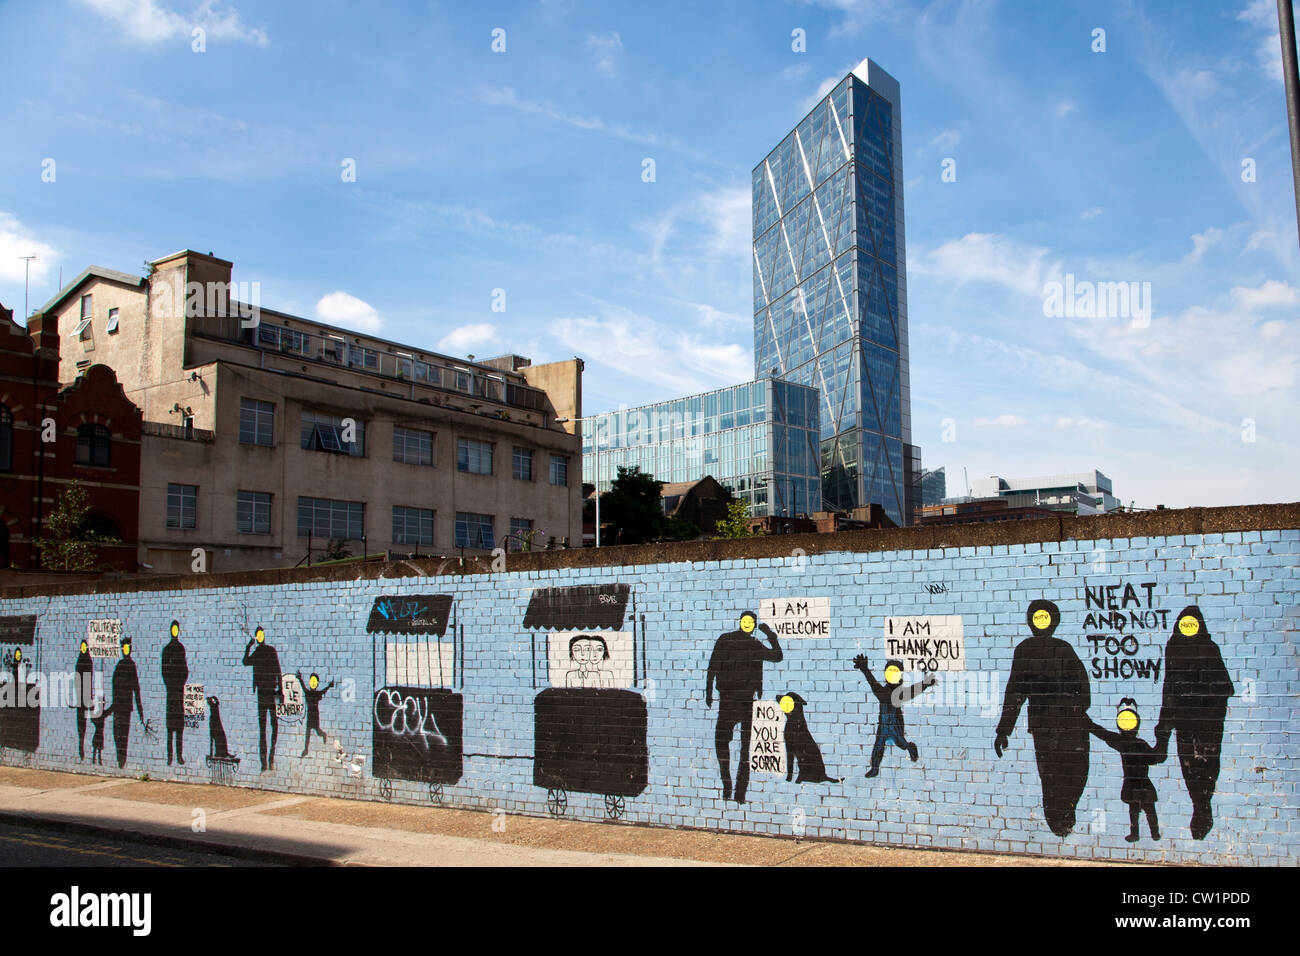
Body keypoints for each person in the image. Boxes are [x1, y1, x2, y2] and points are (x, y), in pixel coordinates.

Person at [995, 599, 1091, 837]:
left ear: (1053, 621)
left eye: (1045, 618)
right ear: (1031, 622)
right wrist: (1003, 730)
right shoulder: (1025, 650)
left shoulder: (1064, 649)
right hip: (1045, 727)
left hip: (1068, 725)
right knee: (1051, 777)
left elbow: (1083, 686)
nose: (1041, 623)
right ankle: (1058, 822)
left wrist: (1076, 709)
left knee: (1074, 772)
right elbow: (1015, 692)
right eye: (1037, 618)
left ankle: (1065, 814)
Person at [1154, 605, 1233, 840]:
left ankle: (1203, 804)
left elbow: (1223, 688)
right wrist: (1164, 730)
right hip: (1187, 721)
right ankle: (1201, 805)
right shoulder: (1174, 647)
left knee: (1206, 764)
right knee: (1190, 765)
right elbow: (1169, 688)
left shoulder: (1209, 649)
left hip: (1206, 721)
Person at [706, 610, 783, 804]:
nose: (748, 623)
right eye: (746, 620)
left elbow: (777, 656)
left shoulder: (753, 644)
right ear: (741, 622)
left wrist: (770, 634)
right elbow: (713, 665)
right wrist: (708, 691)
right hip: (731, 700)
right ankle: (730, 788)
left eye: (752, 621)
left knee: (741, 748)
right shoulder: (727, 640)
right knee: (728, 745)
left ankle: (736, 792)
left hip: (743, 701)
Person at [1088, 699, 1168, 842]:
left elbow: (1104, 734)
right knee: (1148, 810)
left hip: (1132, 783)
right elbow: (1157, 758)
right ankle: (1153, 833)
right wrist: (1161, 738)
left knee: (1135, 811)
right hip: (1143, 783)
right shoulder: (1141, 744)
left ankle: (1137, 833)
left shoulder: (1122, 743)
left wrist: (1089, 725)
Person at [852, 656, 936, 777]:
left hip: (895, 725)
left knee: (901, 743)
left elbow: (913, 690)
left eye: (895, 671)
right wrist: (865, 669)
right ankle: (875, 768)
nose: (892, 674)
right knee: (878, 746)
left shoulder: (898, 693)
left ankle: (910, 748)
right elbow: (873, 684)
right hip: (883, 725)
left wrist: (926, 684)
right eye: (889, 671)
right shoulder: (882, 691)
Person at [242, 625, 283, 771]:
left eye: (261, 634)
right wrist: (248, 646)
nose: (260, 636)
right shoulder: (257, 652)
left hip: (271, 692)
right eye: (257, 634)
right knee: (263, 728)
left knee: (274, 726)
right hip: (262, 693)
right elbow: (245, 662)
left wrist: (281, 691)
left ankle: (271, 758)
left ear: (264, 636)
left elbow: (278, 670)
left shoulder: (270, 650)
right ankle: (264, 762)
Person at [111, 639, 145, 768]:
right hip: (117, 707)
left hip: (125, 708)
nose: (125, 650)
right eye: (123, 648)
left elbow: (136, 689)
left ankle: (122, 759)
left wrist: (140, 710)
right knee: (117, 734)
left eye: (127, 647)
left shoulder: (131, 666)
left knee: (123, 734)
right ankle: (119, 757)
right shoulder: (119, 665)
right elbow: (114, 688)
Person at [160, 620, 188, 766]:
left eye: (177, 629)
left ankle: (179, 756)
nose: (175, 631)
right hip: (171, 692)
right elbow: (164, 670)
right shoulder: (167, 649)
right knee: (170, 727)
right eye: (173, 629)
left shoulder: (180, 648)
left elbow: (185, 668)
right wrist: (171, 684)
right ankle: (170, 757)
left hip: (179, 691)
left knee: (179, 727)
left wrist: (181, 682)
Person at [297, 671, 334, 756]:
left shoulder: (317, 693)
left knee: (317, 731)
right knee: (308, 732)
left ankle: (324, 735)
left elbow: (323, 691)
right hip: (310, 715)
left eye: (315, 681)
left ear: (317, 683)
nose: (313, 683)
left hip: (315, 715)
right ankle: (306, 749)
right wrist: (299, 678)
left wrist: (329, 686)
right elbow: (303, 686)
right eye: (311, 681)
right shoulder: (308, 692)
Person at [74, 640, 93, 761]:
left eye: (85, 646)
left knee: (83, 721)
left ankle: (82, 743)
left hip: (85, 696)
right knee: (80, 720)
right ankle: (81, 743)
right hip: (80, 696)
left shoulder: (87, 661)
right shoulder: (80, 660)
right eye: (82, 647)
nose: (83, 648)